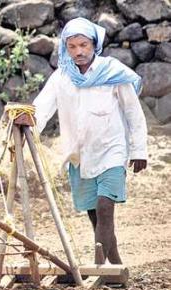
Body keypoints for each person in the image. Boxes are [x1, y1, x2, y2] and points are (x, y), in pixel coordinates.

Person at [31, 17, 148, 264]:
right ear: (66, 48)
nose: (79, 52)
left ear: (94, 44)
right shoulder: (62, 76)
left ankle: (98, 265)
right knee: (94, 212)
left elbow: (133, 113)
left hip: (112, 150)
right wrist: (25, 127)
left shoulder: (112, 71)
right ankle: (114, 264)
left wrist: (140, 150)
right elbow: (41, 108)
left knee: (106, 206)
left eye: (83, 45)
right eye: (72, 47)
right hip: (79, 154)